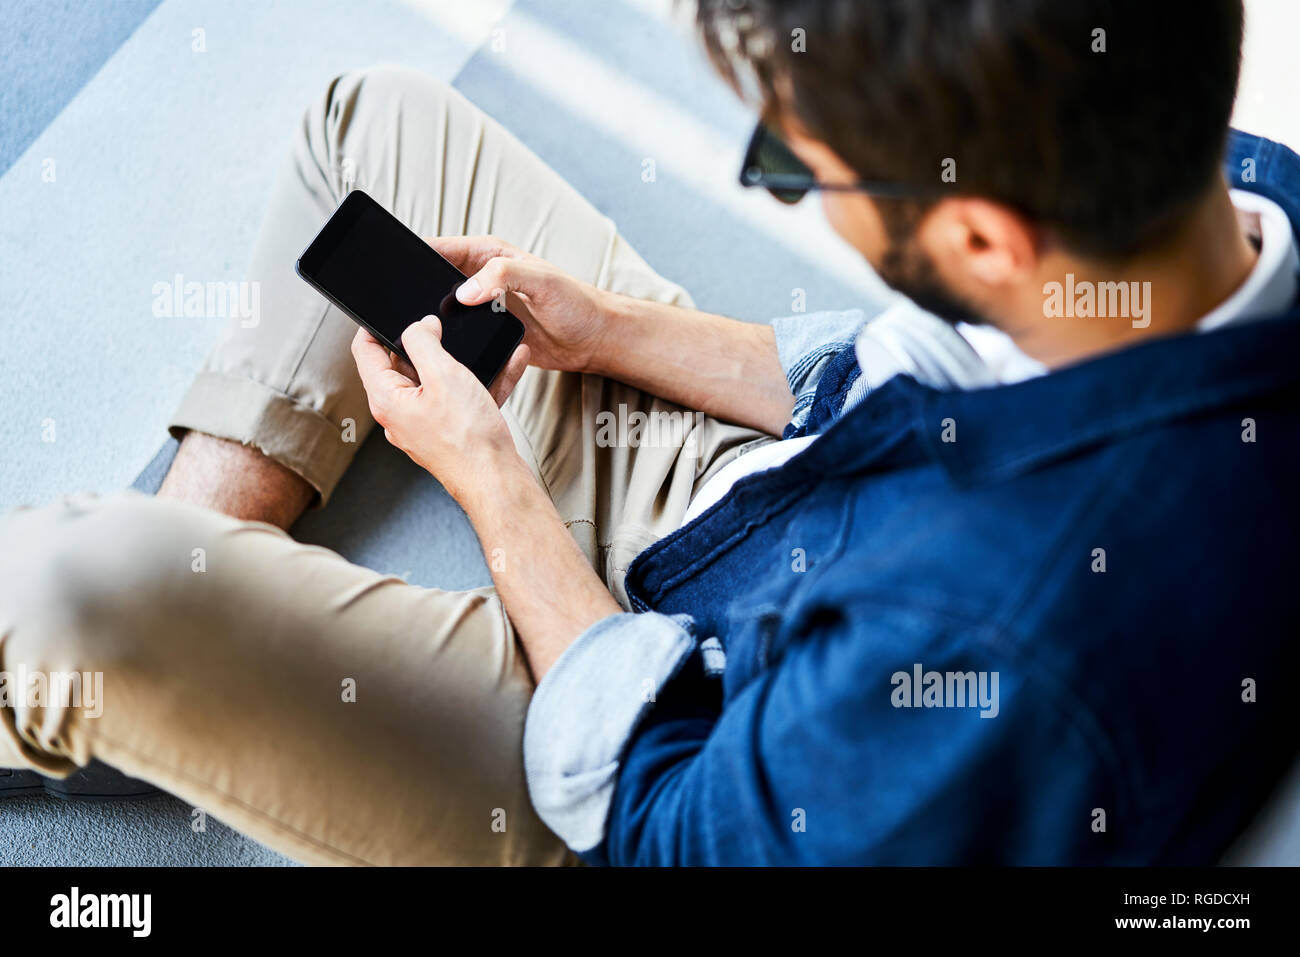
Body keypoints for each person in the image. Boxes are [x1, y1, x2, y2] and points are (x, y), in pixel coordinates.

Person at [2, 0, 1296, 865]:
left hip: (687, 718)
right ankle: (160, 683)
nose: (778, 182)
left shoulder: (986, 647)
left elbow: (678, 824)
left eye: (803, 169)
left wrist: (491, 480)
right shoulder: (1225, 192)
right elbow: (898, 361)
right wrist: (607, 326)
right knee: (376, 126)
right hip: (786, 498)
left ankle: (106, 676)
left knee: (67, 591)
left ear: (978, 240)